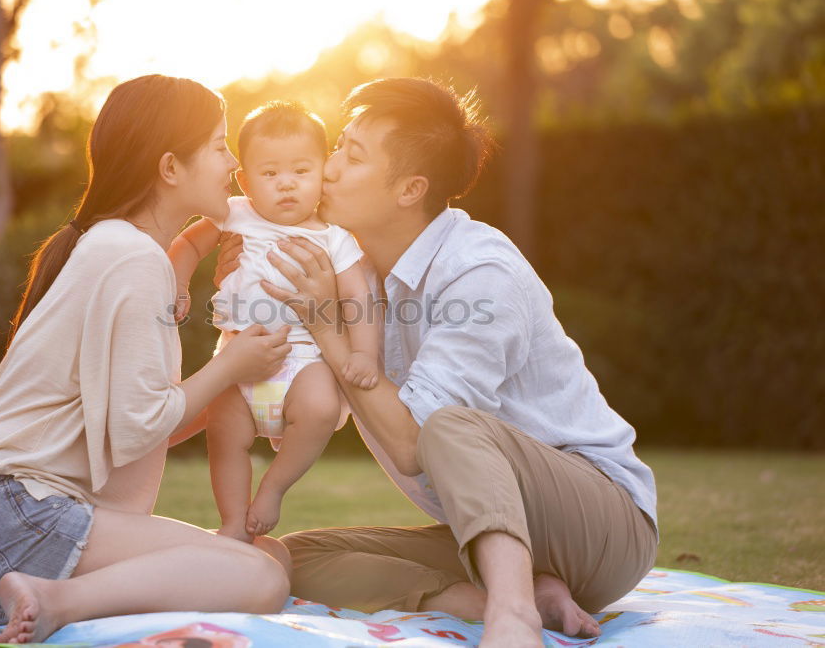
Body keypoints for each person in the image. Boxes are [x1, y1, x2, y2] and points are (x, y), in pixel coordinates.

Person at [215, 78, 659, 648]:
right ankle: (498, 595)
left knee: (447, 423)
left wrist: (326, 323)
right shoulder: (352, 268)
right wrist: (240, 267)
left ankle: (514, 614)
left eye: (350, 156)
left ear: (409, 189)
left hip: (600, 524)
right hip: (493, 524)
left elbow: (412, 445)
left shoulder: (478, 271)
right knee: (292, 557)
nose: (325, 170)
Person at [0, 75, 293, 645]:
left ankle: (34, 588)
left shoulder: (112, 246)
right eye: (220, 146)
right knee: (262, 577)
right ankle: (52, 599)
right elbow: (139, 424)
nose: (235, 163)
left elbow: (126, 431)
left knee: (260, 559)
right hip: (14, 521)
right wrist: (231, 366)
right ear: (170, 168)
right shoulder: (131, 258)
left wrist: (232, 382)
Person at [168, 101, 379, 542]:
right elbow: (187, 243)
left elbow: (359, 297)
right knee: (224, 437)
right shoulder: (233, 214)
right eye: (269, 174)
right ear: (245, 180)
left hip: (304, 358)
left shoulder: (335, 237)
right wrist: (179, 284)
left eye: (301, 171)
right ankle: (232, 522)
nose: (286, 184)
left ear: (322, 172)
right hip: (238, 359)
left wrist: (363, 354)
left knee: (320, 409)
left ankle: (274, 488)